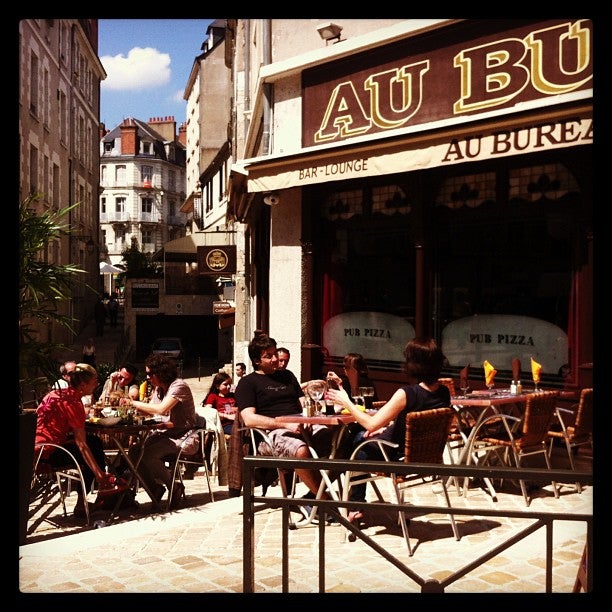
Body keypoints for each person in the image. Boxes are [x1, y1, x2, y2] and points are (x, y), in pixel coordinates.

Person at [326, 337, 451, 524]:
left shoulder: (407, 394)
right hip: (422, 457)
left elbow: (370, 423)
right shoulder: (443, 392)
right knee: (360, 440)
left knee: (354, 441)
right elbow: (415, 423)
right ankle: (345, 500)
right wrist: (386, 428)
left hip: (394, 455)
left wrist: (346, 402)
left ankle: (345, 502)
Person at [235, 333, 334, 503]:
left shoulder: (287, 376)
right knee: (301, 450)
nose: (275, 359)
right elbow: (250, 419)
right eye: (269, 356)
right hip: (269, 434)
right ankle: (326, 502)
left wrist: (312, 417)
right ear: (257, 361)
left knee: (338, 440)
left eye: (275, 353)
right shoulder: (248, 383)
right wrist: (285, 424)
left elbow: (303, 404)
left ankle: (314, 496)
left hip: (300, 425)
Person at [35, 363, 111, 517]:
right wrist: (98, 473)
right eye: (94, 381)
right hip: (47, 456)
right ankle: (97, 492)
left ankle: (88, 499)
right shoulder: (74, 404)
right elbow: (81, 445)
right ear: (82, 385)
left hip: (33, 450)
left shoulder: (54, 394)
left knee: (92, 442)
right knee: (93, 445)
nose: (97, 384)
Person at [128, 354, 197, 507]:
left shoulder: (179, 386)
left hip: (183, 436)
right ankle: (154, 489)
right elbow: (151, 411)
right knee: (133, 452)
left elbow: (161, 410)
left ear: (161, 372)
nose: (147, 378)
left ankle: (174, 486)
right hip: (164, 434)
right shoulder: (159, 389)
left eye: (149, 374)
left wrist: (134, 403)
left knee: (148, 454)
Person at [202, 372, 236, 436]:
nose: (228, 387)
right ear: (217, 386)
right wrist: (227, 416)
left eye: (230, 384)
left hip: (236, 423)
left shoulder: (232, 396)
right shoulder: (213, 396)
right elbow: (208, 411)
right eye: (225, 385)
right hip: (223, 425)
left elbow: (229, 409)